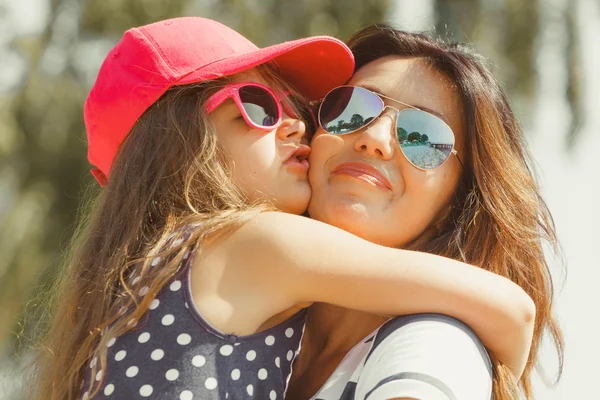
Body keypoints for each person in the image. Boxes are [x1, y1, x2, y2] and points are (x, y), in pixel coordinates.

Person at [32, 18, 535, 400]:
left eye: (425, 138)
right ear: (177, 145)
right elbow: (512, 311)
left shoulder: (147, 278)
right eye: (259, 107)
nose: (297, 124)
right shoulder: (253, 243)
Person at [287, 25, 564, 400]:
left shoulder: (435, 346)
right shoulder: (239, 291)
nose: (374, 139)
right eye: (352, 108)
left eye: (423, 135)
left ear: (456, 201)